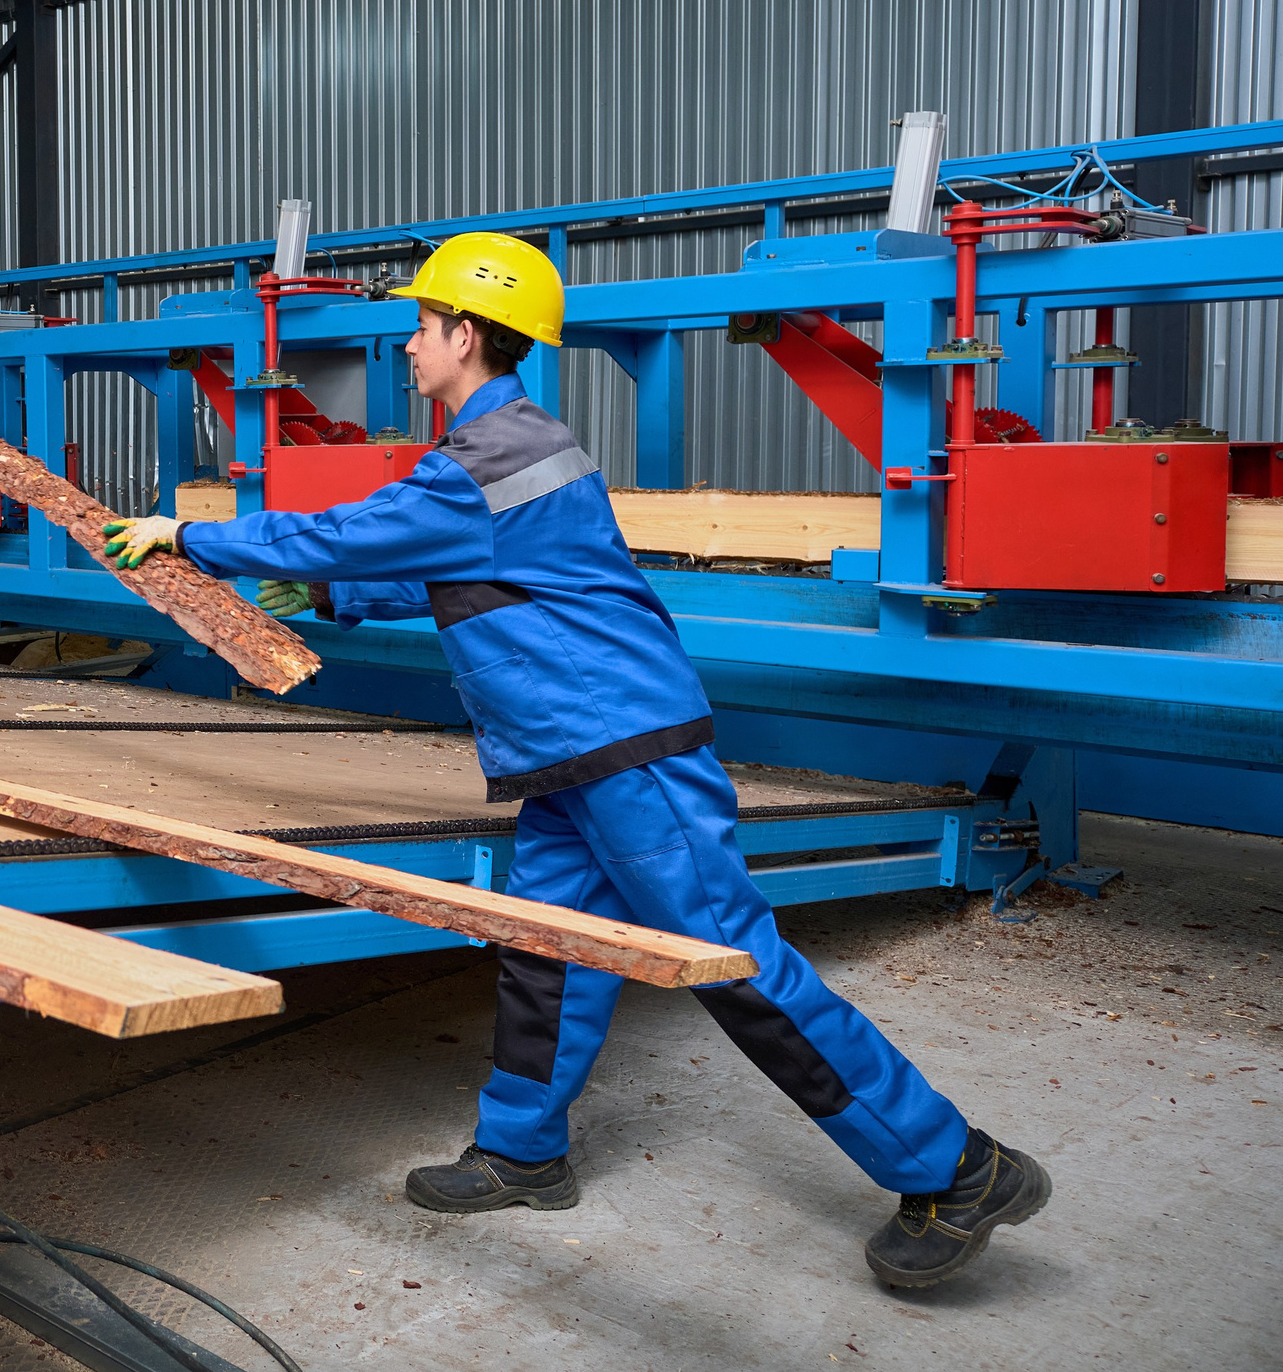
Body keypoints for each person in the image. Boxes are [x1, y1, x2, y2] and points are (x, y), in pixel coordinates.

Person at [102, 235, 1048, 1289]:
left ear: (466, 334)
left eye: (421, 326)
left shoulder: (491, 457)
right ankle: (523, 1149)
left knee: (733, 962)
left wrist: (194, 540)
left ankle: (956, 1166)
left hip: (621, 748)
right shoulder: (504, 452)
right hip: (568, 753)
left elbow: (356, 534)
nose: (409, 345)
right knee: (549, 947)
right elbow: (472, 580)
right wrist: (326, 599)